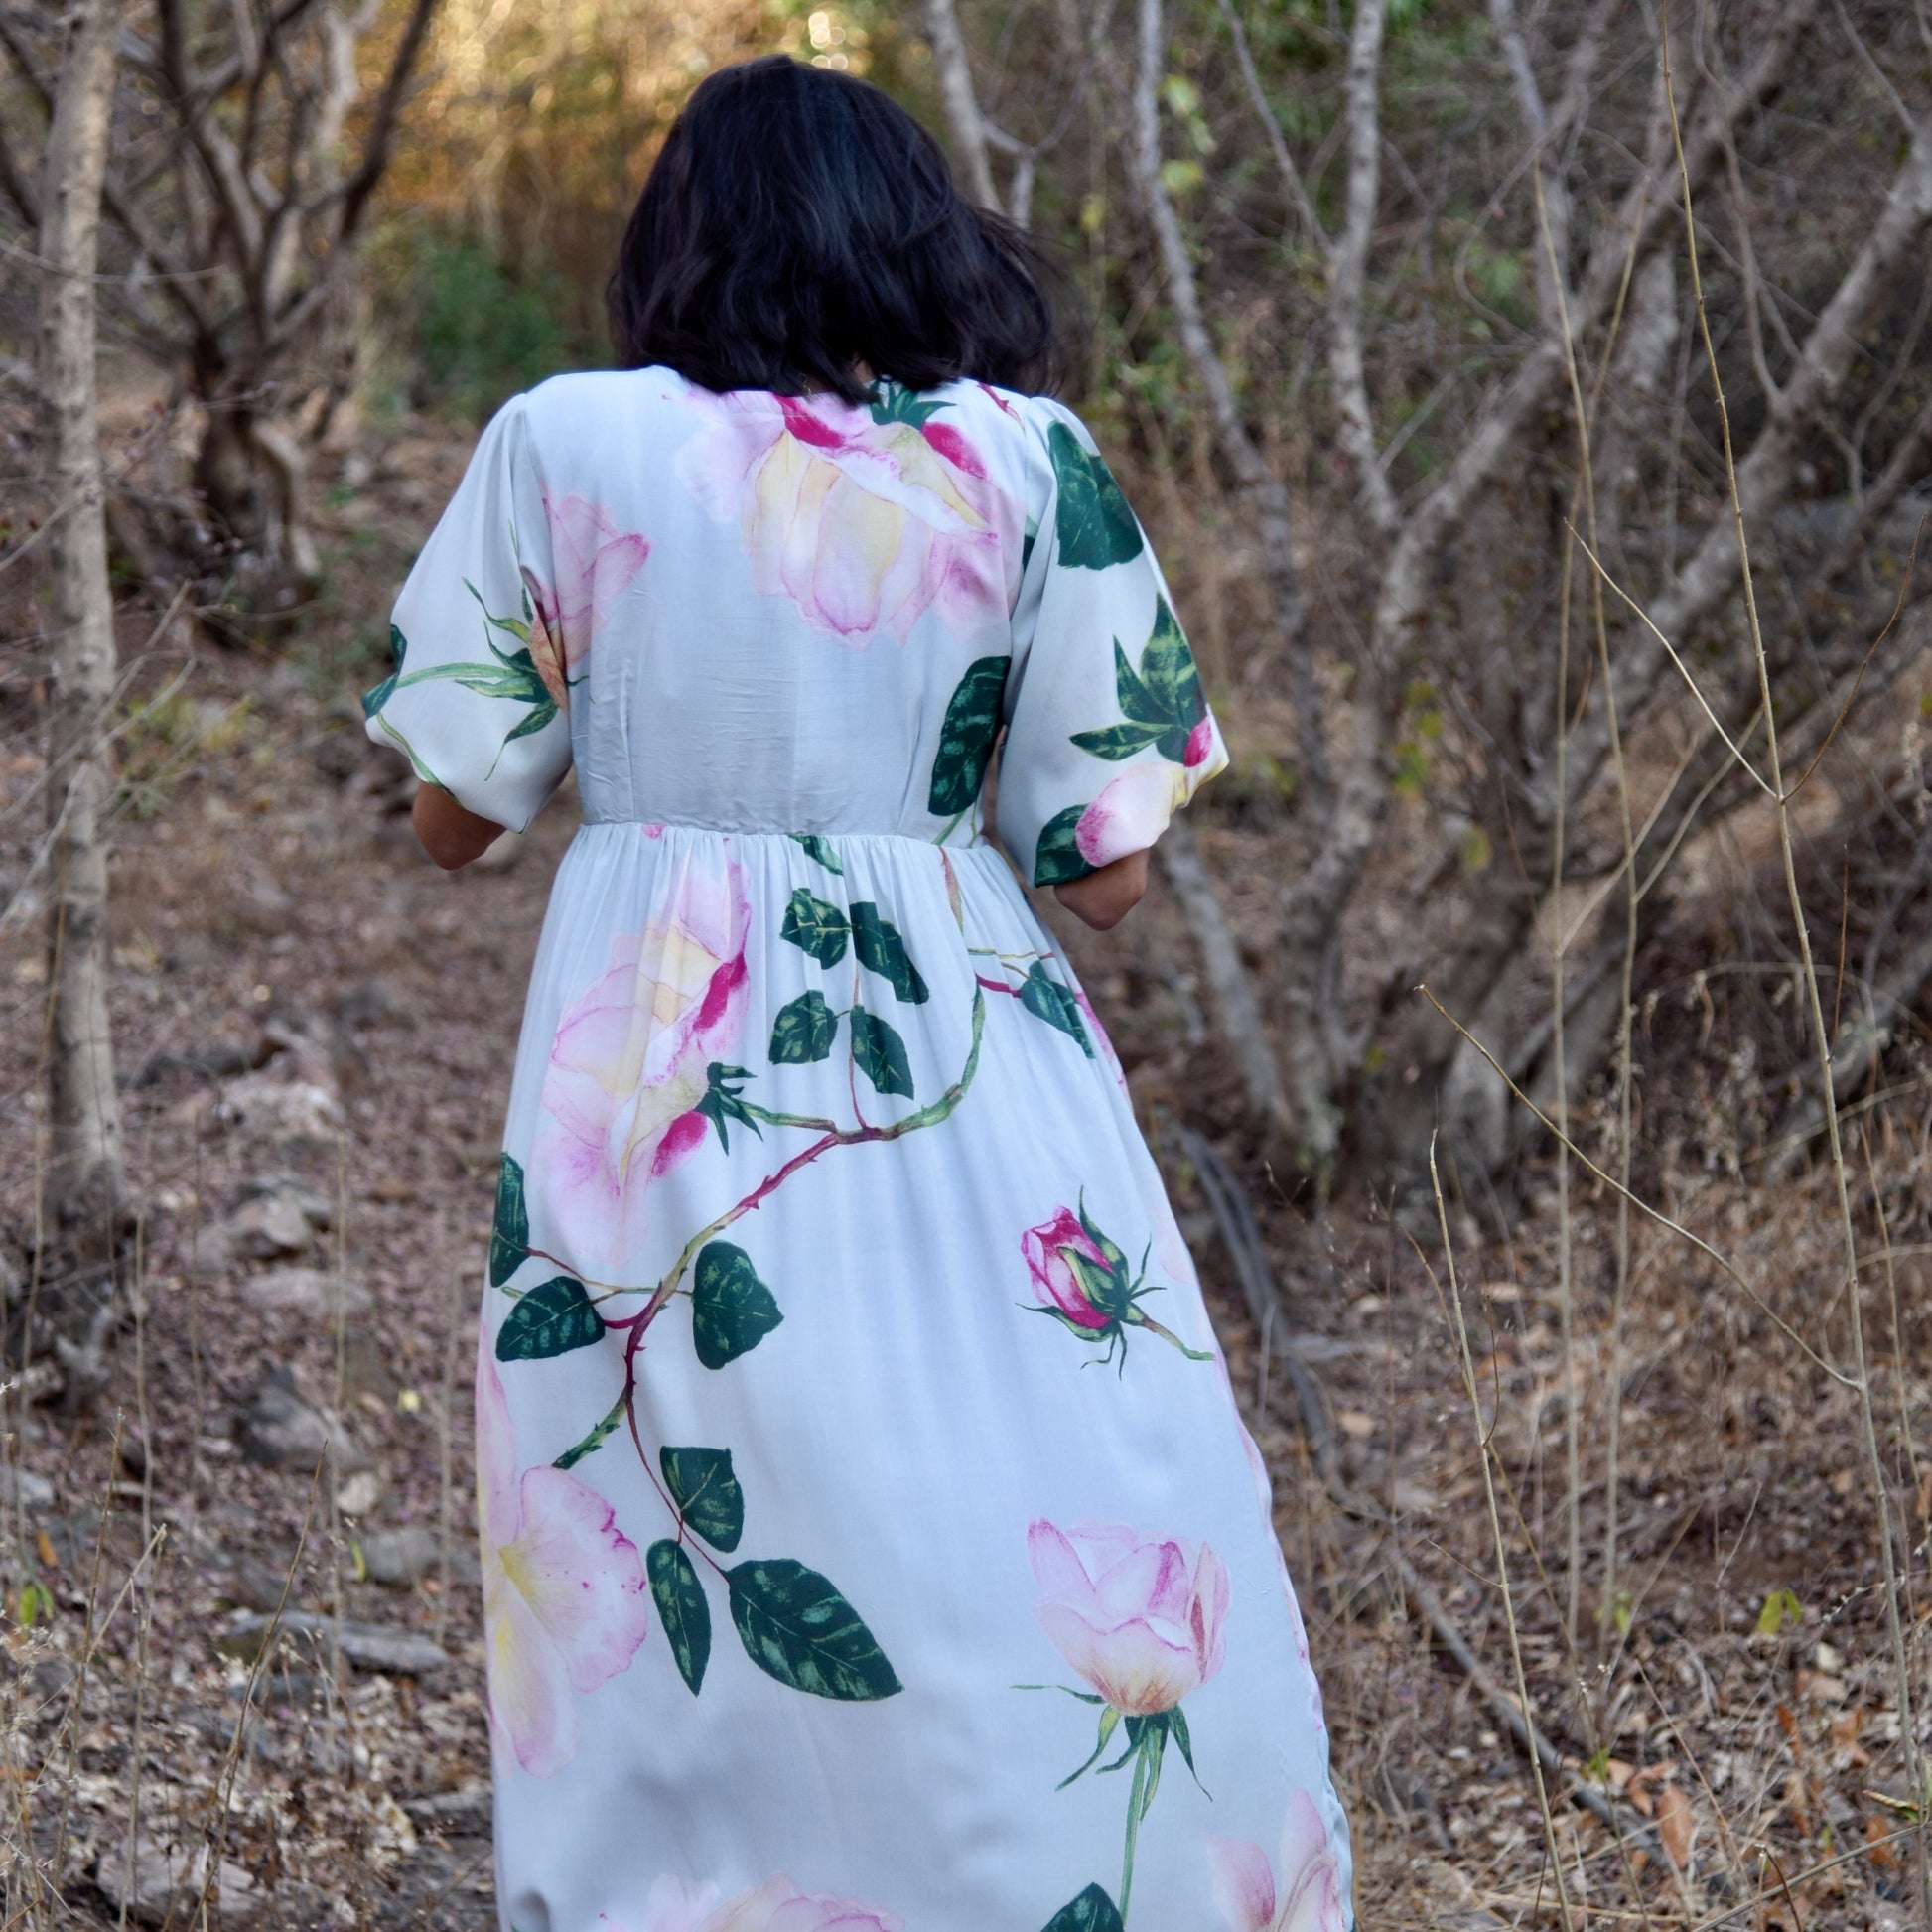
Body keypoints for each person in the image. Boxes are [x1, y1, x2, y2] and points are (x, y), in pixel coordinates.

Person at [364, 52, 1352, 1932]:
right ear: (916, 237)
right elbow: (1107, 871)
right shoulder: (1027, 460)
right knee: (1007, 1481)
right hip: (960, 1050)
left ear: (678, 242)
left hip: (654, 1066)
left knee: (683, 1514)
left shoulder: (565, 441)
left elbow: (450, 818)